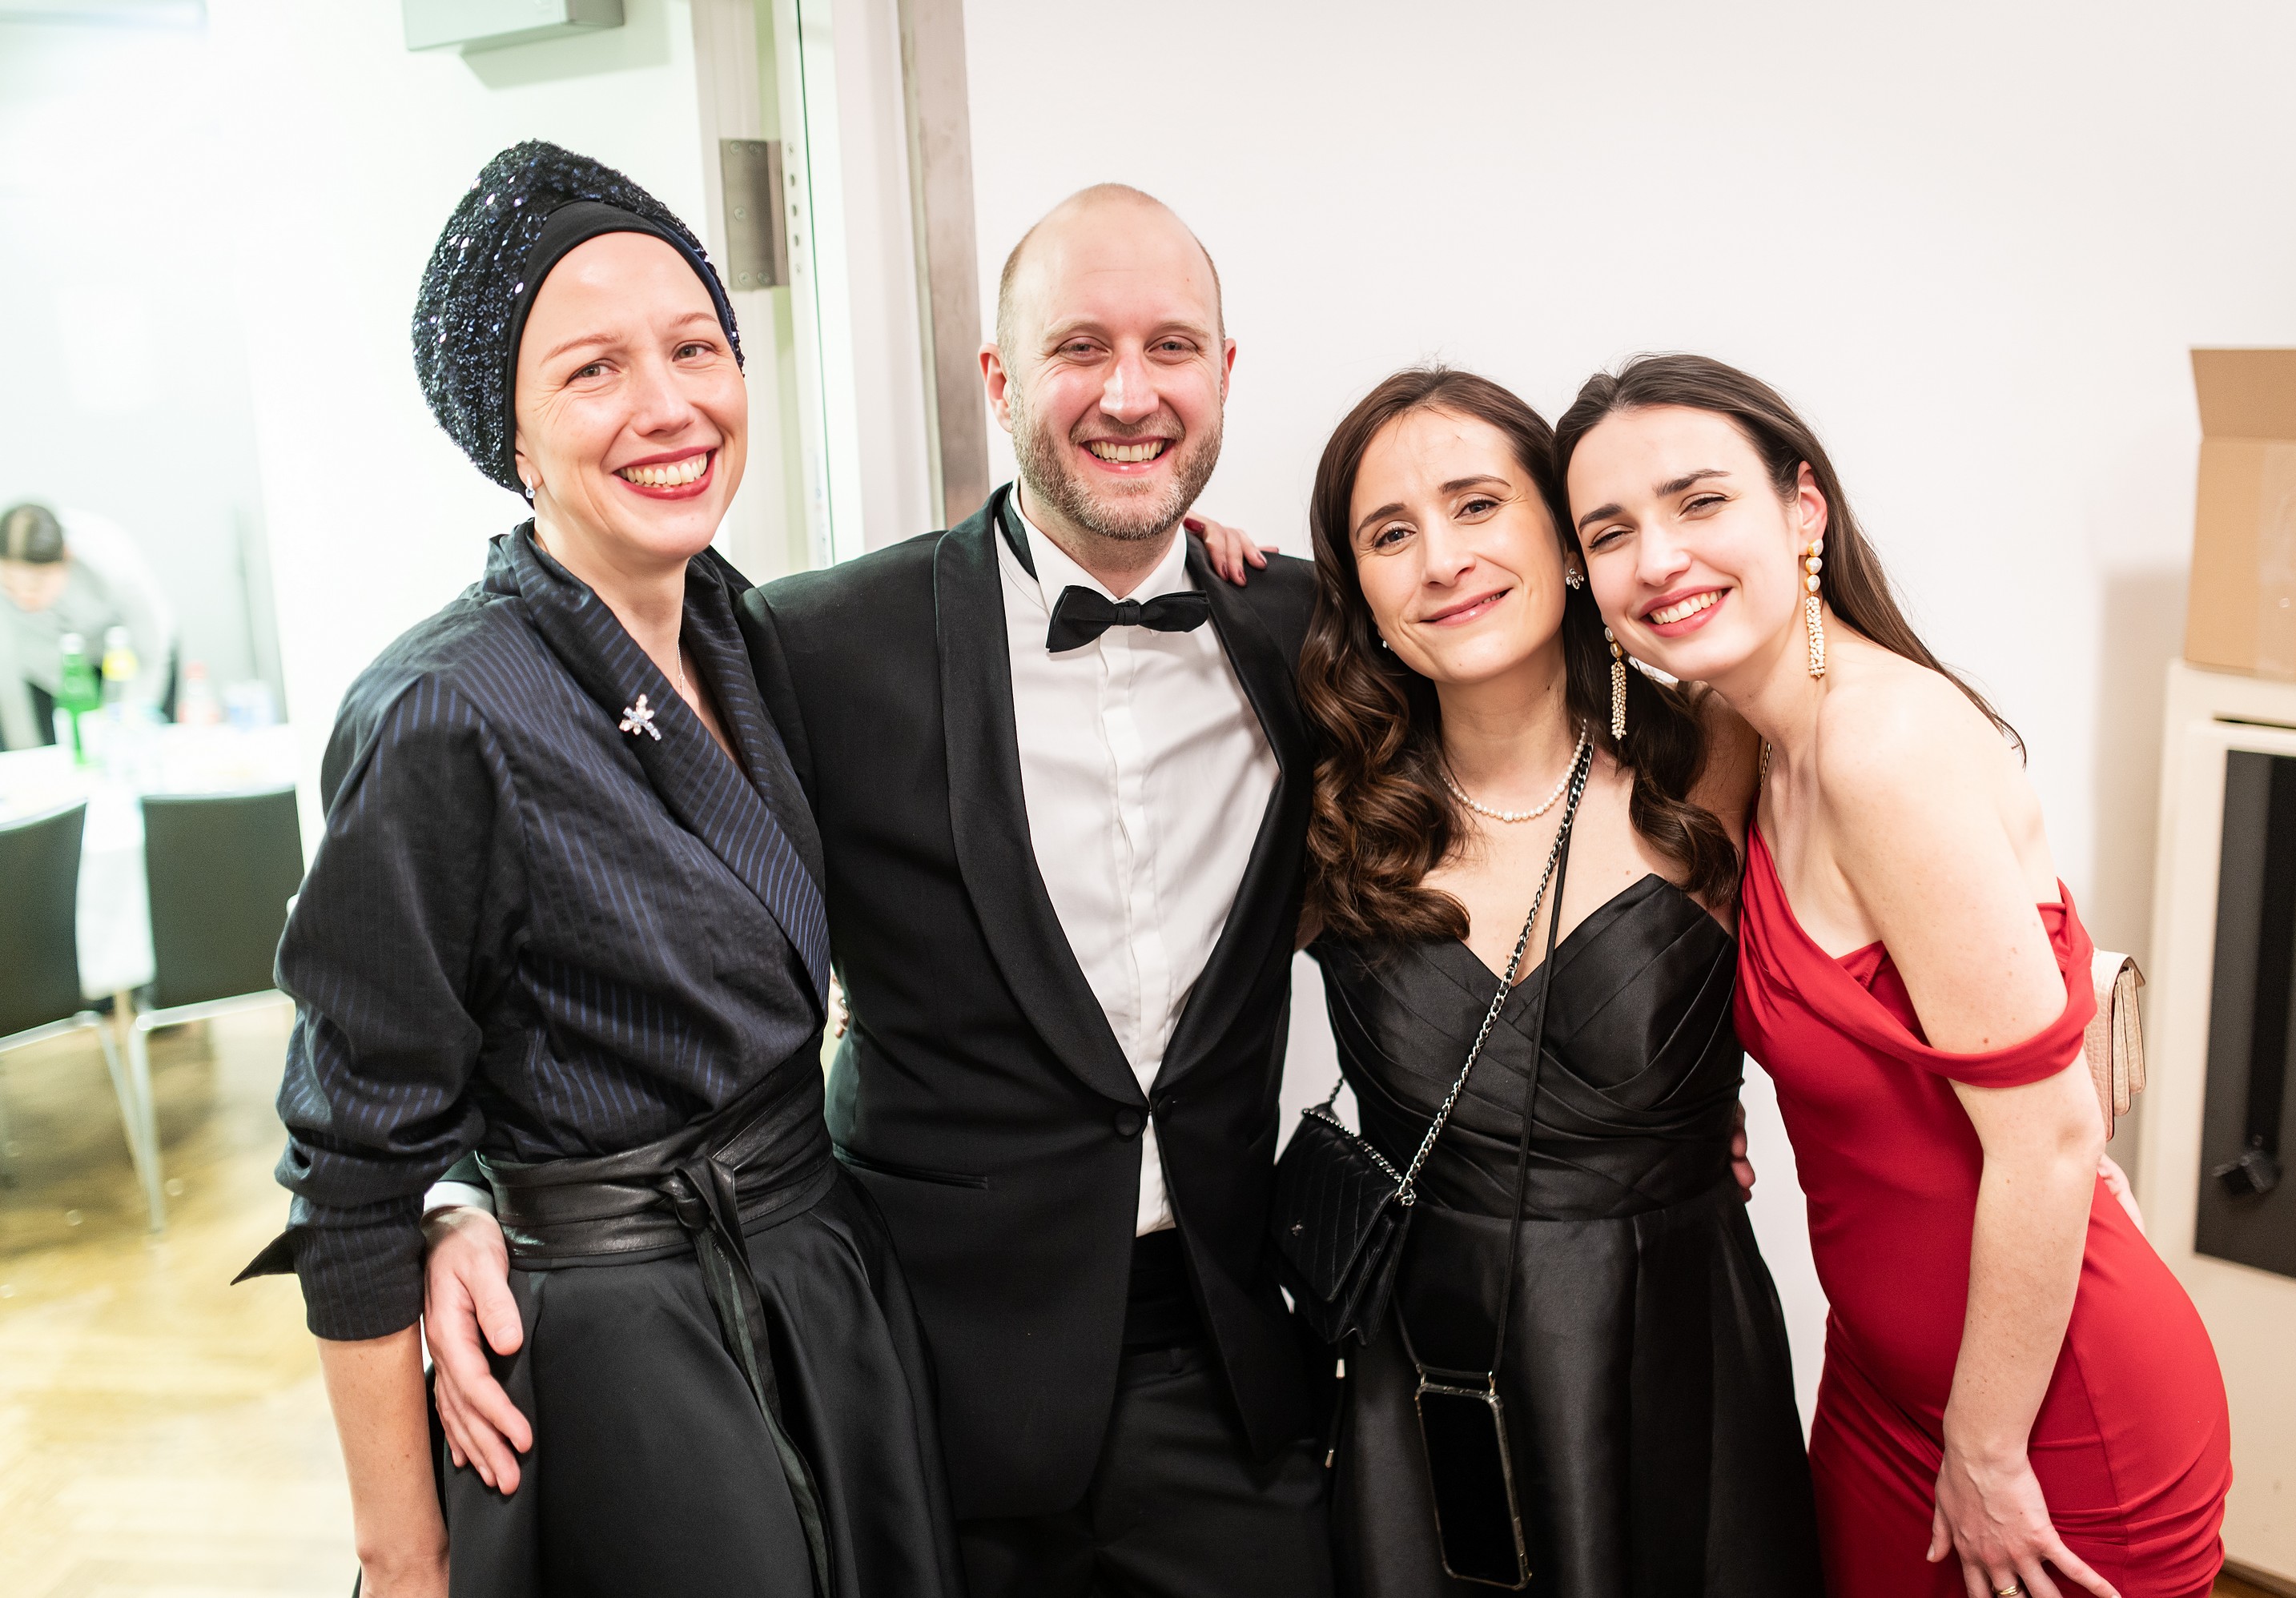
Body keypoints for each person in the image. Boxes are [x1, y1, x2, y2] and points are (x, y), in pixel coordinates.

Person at [427, 182, 1337, 1598]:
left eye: (1171, 348)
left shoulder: (1314, 630)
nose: (1129, 393)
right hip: (913, 1380)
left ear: (1223, 374)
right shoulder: (808, 643)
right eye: (1078, 347)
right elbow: (586, 921)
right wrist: (456, 1193)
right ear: (1000, 381)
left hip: (1225, 1367)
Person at [238, 142, 962, 1598]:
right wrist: (404, 1560)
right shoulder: (442, 711)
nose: (669, 403)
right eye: (593, 370)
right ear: (507, 436)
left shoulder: (739, 631)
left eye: (695, 347)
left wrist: (1184, 549)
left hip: (819, 1289)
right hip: (628, 1358)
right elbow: (355, 1166)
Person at [1557, 354, 2230, 1598]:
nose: (1657, 559)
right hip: (1879, 1383)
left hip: (2042, 1418)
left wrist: (1986, 1453)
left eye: (1700, 502)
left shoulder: (1883, 744)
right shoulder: (1749, 739)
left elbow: (2046, 1135)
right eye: (1609, 533)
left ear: (1802, 509)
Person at [1285, 367, 1820, 1596]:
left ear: (1571, 543)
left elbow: (1904, 956)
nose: (1442, 560)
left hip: (1682, 1354)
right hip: (1428, 1386)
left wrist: (2045, 1122)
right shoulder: (1327, 821)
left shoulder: (1722, 756)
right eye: (1390, 534)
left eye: (1478, 505)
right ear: (1359, 591)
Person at [0, 500, 175, 750]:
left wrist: (131, 719)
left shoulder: (109, 558)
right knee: (65, 750)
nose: (24, 598)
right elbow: (9, 671)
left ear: (66, 556)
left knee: (140, 741)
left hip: (128, 655)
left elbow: (151, 648)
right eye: (10, 586)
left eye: (36, 585)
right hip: (52, 667)